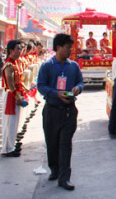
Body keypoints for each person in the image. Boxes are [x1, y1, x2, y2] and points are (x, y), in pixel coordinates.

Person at [37, 33, 84, 191]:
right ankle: (54, 169)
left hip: (69, 111)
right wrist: (56, 93)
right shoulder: (47, 66)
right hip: (52, 110)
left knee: (65, 144)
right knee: (52, 142)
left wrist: (78, 88)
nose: (70, 50)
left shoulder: (74, 66)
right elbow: (41, 86)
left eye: (71, 47)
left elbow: (80, 81)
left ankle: (65, 177)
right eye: (67, 47)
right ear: (58, 47)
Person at [1, 40, 26, 158]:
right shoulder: (9, 65)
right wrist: (18, 96)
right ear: (11, 50)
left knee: (15, 122)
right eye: (18, 49)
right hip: (11, 96)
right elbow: (10, 85)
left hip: (16, 95)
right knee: (9, 123)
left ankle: (12, 145)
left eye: (20, 49)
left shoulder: (15, 63)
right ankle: (7, 149)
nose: (20, 51)